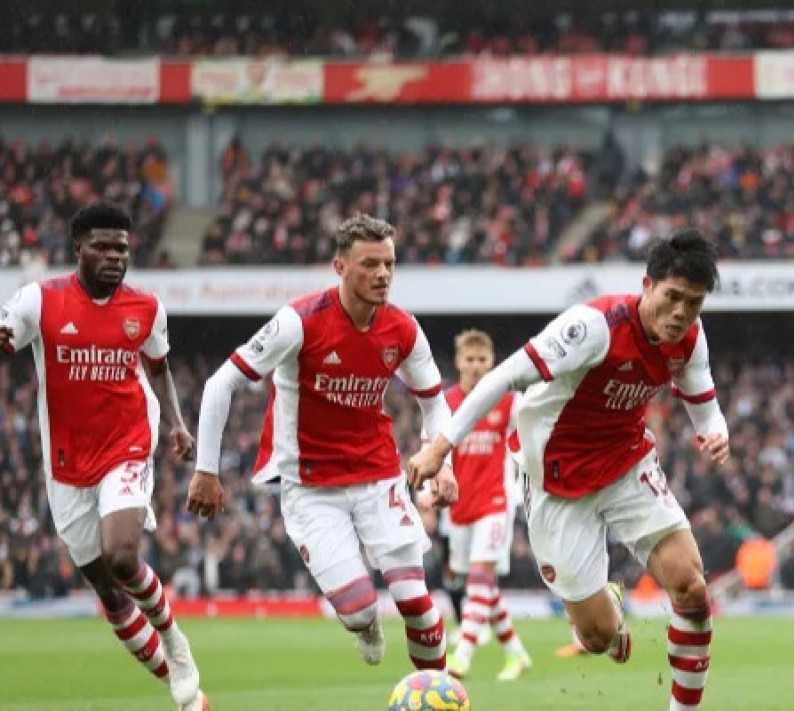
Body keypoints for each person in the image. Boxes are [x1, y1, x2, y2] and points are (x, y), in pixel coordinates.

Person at [408, 229, 729, 711]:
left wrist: (715, 431)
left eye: (695, 303)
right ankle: (609, 609)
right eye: (673, 296)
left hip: (625, 463)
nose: (682, 312)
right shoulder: (593, 327)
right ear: (647, 285)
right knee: (597, 638)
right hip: (555, 482)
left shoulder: (689, 338)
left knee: (691, 586)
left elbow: (703, 401)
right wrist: (440, 448)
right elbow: (503, 377)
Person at [188, 214, 458, 673]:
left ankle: (441, 694)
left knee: (418, 603)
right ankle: (366, 626)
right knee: (358, 609)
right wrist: (206, 470)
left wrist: (441, 459)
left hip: (377, 476)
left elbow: (435, 403)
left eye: (389, 264)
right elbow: (221, 382)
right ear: (340, 267)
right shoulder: (299, 322)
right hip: (312, 487)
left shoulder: (403, 329)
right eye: (369, 264)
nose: (382, 274)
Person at [0, 202, 207, 711]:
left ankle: (175, 641)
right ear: (79, 248)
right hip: (67, 464)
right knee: (110, 593)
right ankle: (181, 692)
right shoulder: (40, 300)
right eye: (103, 247)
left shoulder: (146, 308)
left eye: (122, 247)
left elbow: (157, 368)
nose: (115, 256)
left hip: (127, 443)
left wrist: (177, 423)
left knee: (121, 556)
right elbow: (7, 335)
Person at [422, 329, 532, 680]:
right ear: (458, 362)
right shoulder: (446, 403)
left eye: (482, 359)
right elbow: (430, 448)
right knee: (482, 585)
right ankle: (516, 654)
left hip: (496, 503)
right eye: (469, 359)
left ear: (492, 362)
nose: (475, 366)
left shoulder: (509, 401)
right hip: (460, 507)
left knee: (480, 577)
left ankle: (462, 657)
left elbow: (532, 436)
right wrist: (427, 492)